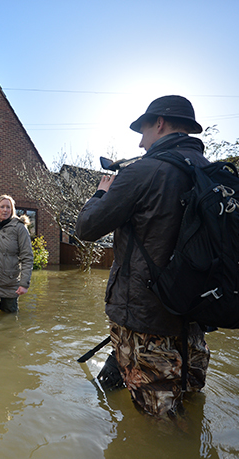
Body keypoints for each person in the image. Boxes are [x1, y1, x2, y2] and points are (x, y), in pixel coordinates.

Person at [75, 95, 211, 419]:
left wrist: (101, 193)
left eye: (144, 131)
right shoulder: (210, 173)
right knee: (189, 409)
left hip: (144, 319)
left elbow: (86, 227)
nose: (140, 142)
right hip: (193, 322)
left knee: (156, 427)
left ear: (160, 124)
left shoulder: (144, 172)